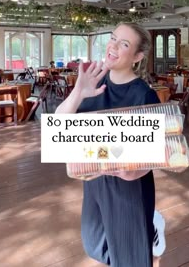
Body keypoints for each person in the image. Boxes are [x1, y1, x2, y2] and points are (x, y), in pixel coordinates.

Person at [56, 22, 165, 267]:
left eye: (124, 44)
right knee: (95, 244)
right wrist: (78, 93)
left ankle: (151, 238)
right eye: (113, 38)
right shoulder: (93, 80)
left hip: (129, 186)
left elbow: (155, 153)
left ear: (137, 56)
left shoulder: (144, 95)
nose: (113, 46)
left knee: (129, 256)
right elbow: (59, 127)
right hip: (95, 180)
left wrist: (133, 171)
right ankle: (153, 231)